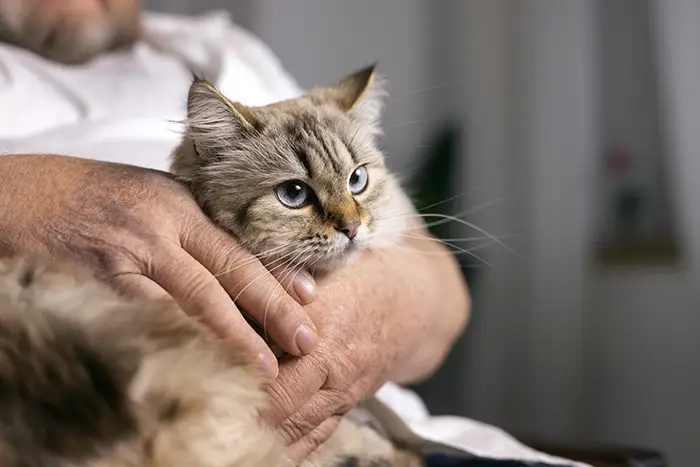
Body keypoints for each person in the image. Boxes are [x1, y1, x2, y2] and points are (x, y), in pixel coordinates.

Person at [0, 2, 585, 467]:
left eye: (355, 186)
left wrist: (371, 312)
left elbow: (444, 295)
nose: (348, 222)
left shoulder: (219, 47)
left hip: (411, 438)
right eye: (299, 196)